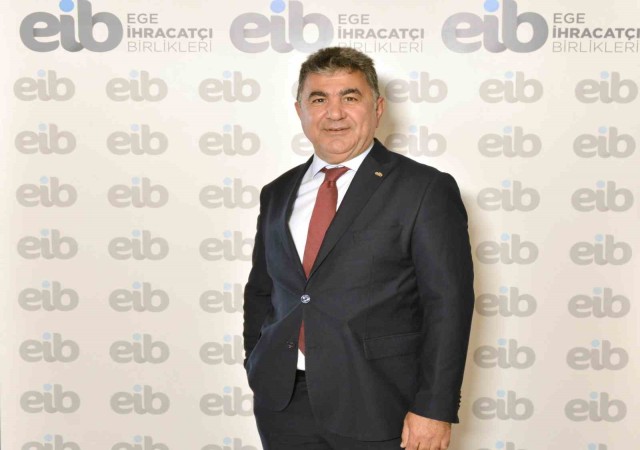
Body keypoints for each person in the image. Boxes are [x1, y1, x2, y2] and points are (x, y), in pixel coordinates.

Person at [243, 47, 474, 450]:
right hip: (283, 404)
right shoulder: (277, 192)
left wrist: (434, 407)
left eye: (350, 97)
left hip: (382, 404)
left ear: (377, 107)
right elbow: (262, 290)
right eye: (319, 99)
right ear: (300, 111)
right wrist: (257, 361)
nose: (334, 113)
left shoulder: (424, 189)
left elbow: (448, 304)